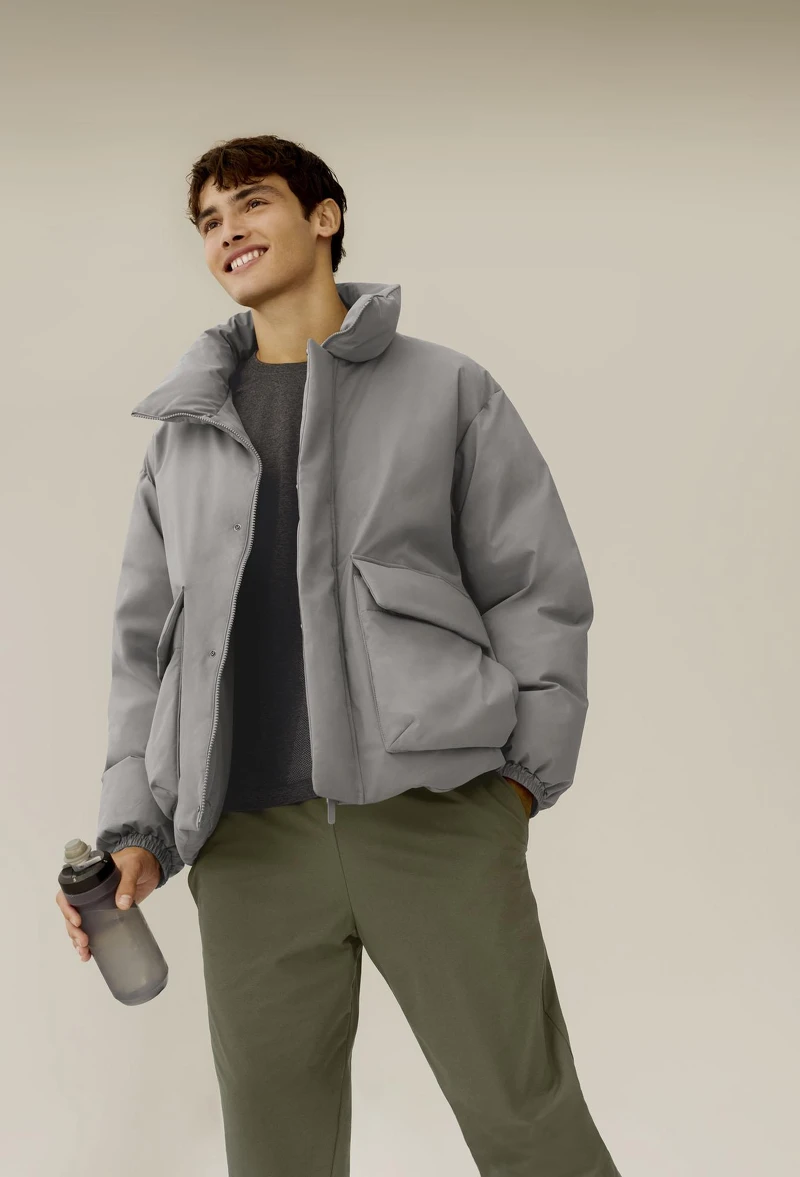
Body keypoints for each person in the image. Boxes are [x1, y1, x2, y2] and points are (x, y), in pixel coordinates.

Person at [57, 134, 622, 1176]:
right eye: (208, 220)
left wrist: (517, 787)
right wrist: (135, 828)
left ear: (324, 217)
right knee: (274, 1153)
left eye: (251, 202)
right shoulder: (183, 433)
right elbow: (145, 653)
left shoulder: (447, 390)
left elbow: (534, 586)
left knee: (527, 1120)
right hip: (247, 844)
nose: (227, 230)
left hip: (433, 817)